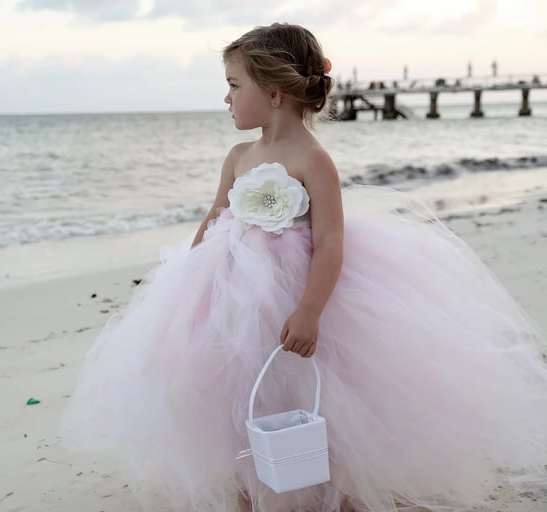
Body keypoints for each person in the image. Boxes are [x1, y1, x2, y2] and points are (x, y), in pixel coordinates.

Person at [61, 23, 547, 512]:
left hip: (296, 287)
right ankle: (249, 479)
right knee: (231, 382)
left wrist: (310, 310)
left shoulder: (314, 160)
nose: (226, 98)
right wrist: (188, 280)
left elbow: (330, 240)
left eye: (234, 85)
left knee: (309, 384)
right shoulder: (238, 156)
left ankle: (330, 482)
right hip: (233, 287)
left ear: (274, 93)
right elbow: (215, 218)